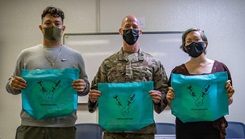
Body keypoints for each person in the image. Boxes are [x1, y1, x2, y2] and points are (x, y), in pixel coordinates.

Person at [5, 6, 89, 139]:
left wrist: (83, 86)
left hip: (64, 127)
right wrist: (13, 84)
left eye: (57, 23)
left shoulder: (76, 56)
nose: (52, 27)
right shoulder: (26, 55)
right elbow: (10, 87)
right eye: (48, 23)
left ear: (63, 28)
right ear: (41, 27)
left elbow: (85, 88)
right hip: (32, 126)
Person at [88, 15, 169, 139]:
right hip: (114, 131)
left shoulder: (153, 62)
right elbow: (96, 91)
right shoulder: (108, 63)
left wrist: (159, 98)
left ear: (140, 32)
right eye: (127, 26)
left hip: (143, 131)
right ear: (120, 31)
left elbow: (164, 90)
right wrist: (93, 98)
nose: (131, 29)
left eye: (135, 27)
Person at [166, 28, 235, 139]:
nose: (193, 43)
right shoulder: (177, 72)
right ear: (184, 46)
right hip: (186, 129)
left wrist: (228, 97)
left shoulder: (220, 69)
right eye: (188, 41)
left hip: (213, 128)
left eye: (196, 39)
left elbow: (228, 101)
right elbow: (173, 105)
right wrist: (169, 100)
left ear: (205, 43)